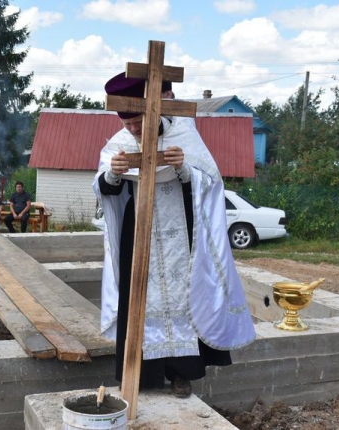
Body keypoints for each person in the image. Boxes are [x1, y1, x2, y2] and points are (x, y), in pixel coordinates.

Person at [93, 72, 255, 397]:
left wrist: (184, 169)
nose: (133, 130)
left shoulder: (185, 134)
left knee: (183, 299)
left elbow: (210, 184)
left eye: (137, 122)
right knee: (138, 300)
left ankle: (182, 374)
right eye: (127, 125)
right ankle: (138, 373)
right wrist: (113, 173)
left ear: (153, 109)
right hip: (138, 237)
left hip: (181, 234)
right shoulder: (120, 143)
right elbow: (102, 188)